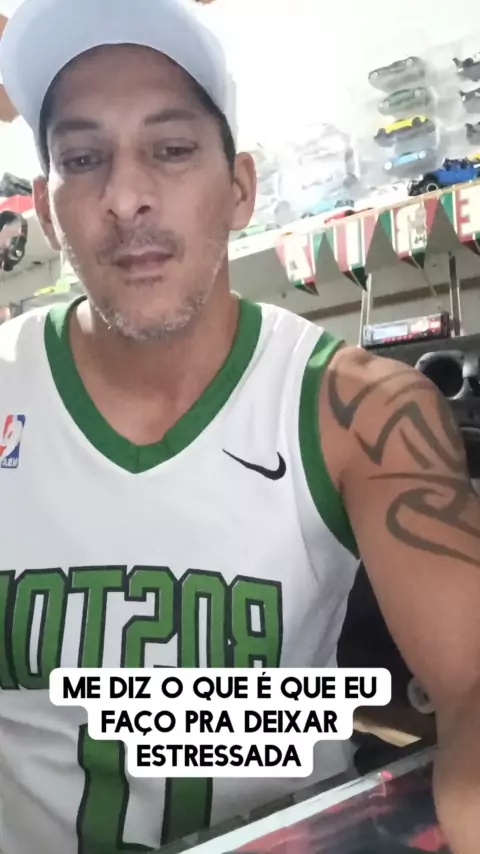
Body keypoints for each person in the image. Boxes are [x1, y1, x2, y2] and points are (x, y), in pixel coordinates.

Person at [0, 1, 479, 853]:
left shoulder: (362, 410)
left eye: (172, 149)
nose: (126, 198)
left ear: (241, 189)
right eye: (82, 158)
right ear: (45, 207)